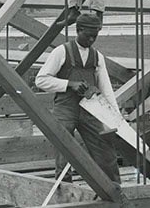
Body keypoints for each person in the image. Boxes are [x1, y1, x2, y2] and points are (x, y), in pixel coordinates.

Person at [35, 13, 121, 184]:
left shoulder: (97, 57)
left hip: (90, 108)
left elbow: (106, 89)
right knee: (65, 148)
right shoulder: (62, 51)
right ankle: (65, 189)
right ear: (78, 30)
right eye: (88, 35)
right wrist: (69, 84)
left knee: (103, 147)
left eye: (95, 35)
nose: (91, 39)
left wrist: (115, 117)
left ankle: (114, 188)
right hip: (66, 108)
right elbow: (41, 80)